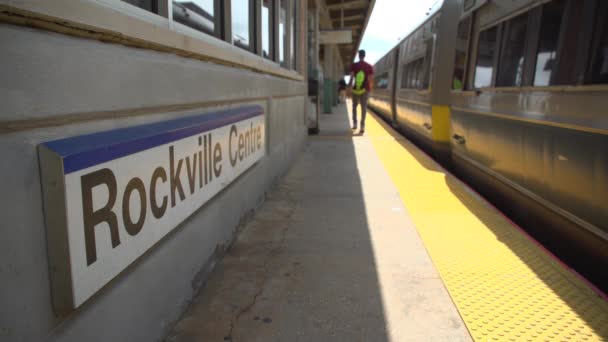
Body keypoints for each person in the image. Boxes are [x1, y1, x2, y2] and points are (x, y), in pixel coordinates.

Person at [348, 49, 374, 133]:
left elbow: (352, 77)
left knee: (354, 107)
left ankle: (355, 124)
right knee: (364, 108)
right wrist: (369, 89)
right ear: (364, 55)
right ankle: (362, 126)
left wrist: (349, 87)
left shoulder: (354, 65)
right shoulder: (369, 66)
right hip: (365, 90)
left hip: (356, 89)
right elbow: (370, 79)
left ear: (358, 56)